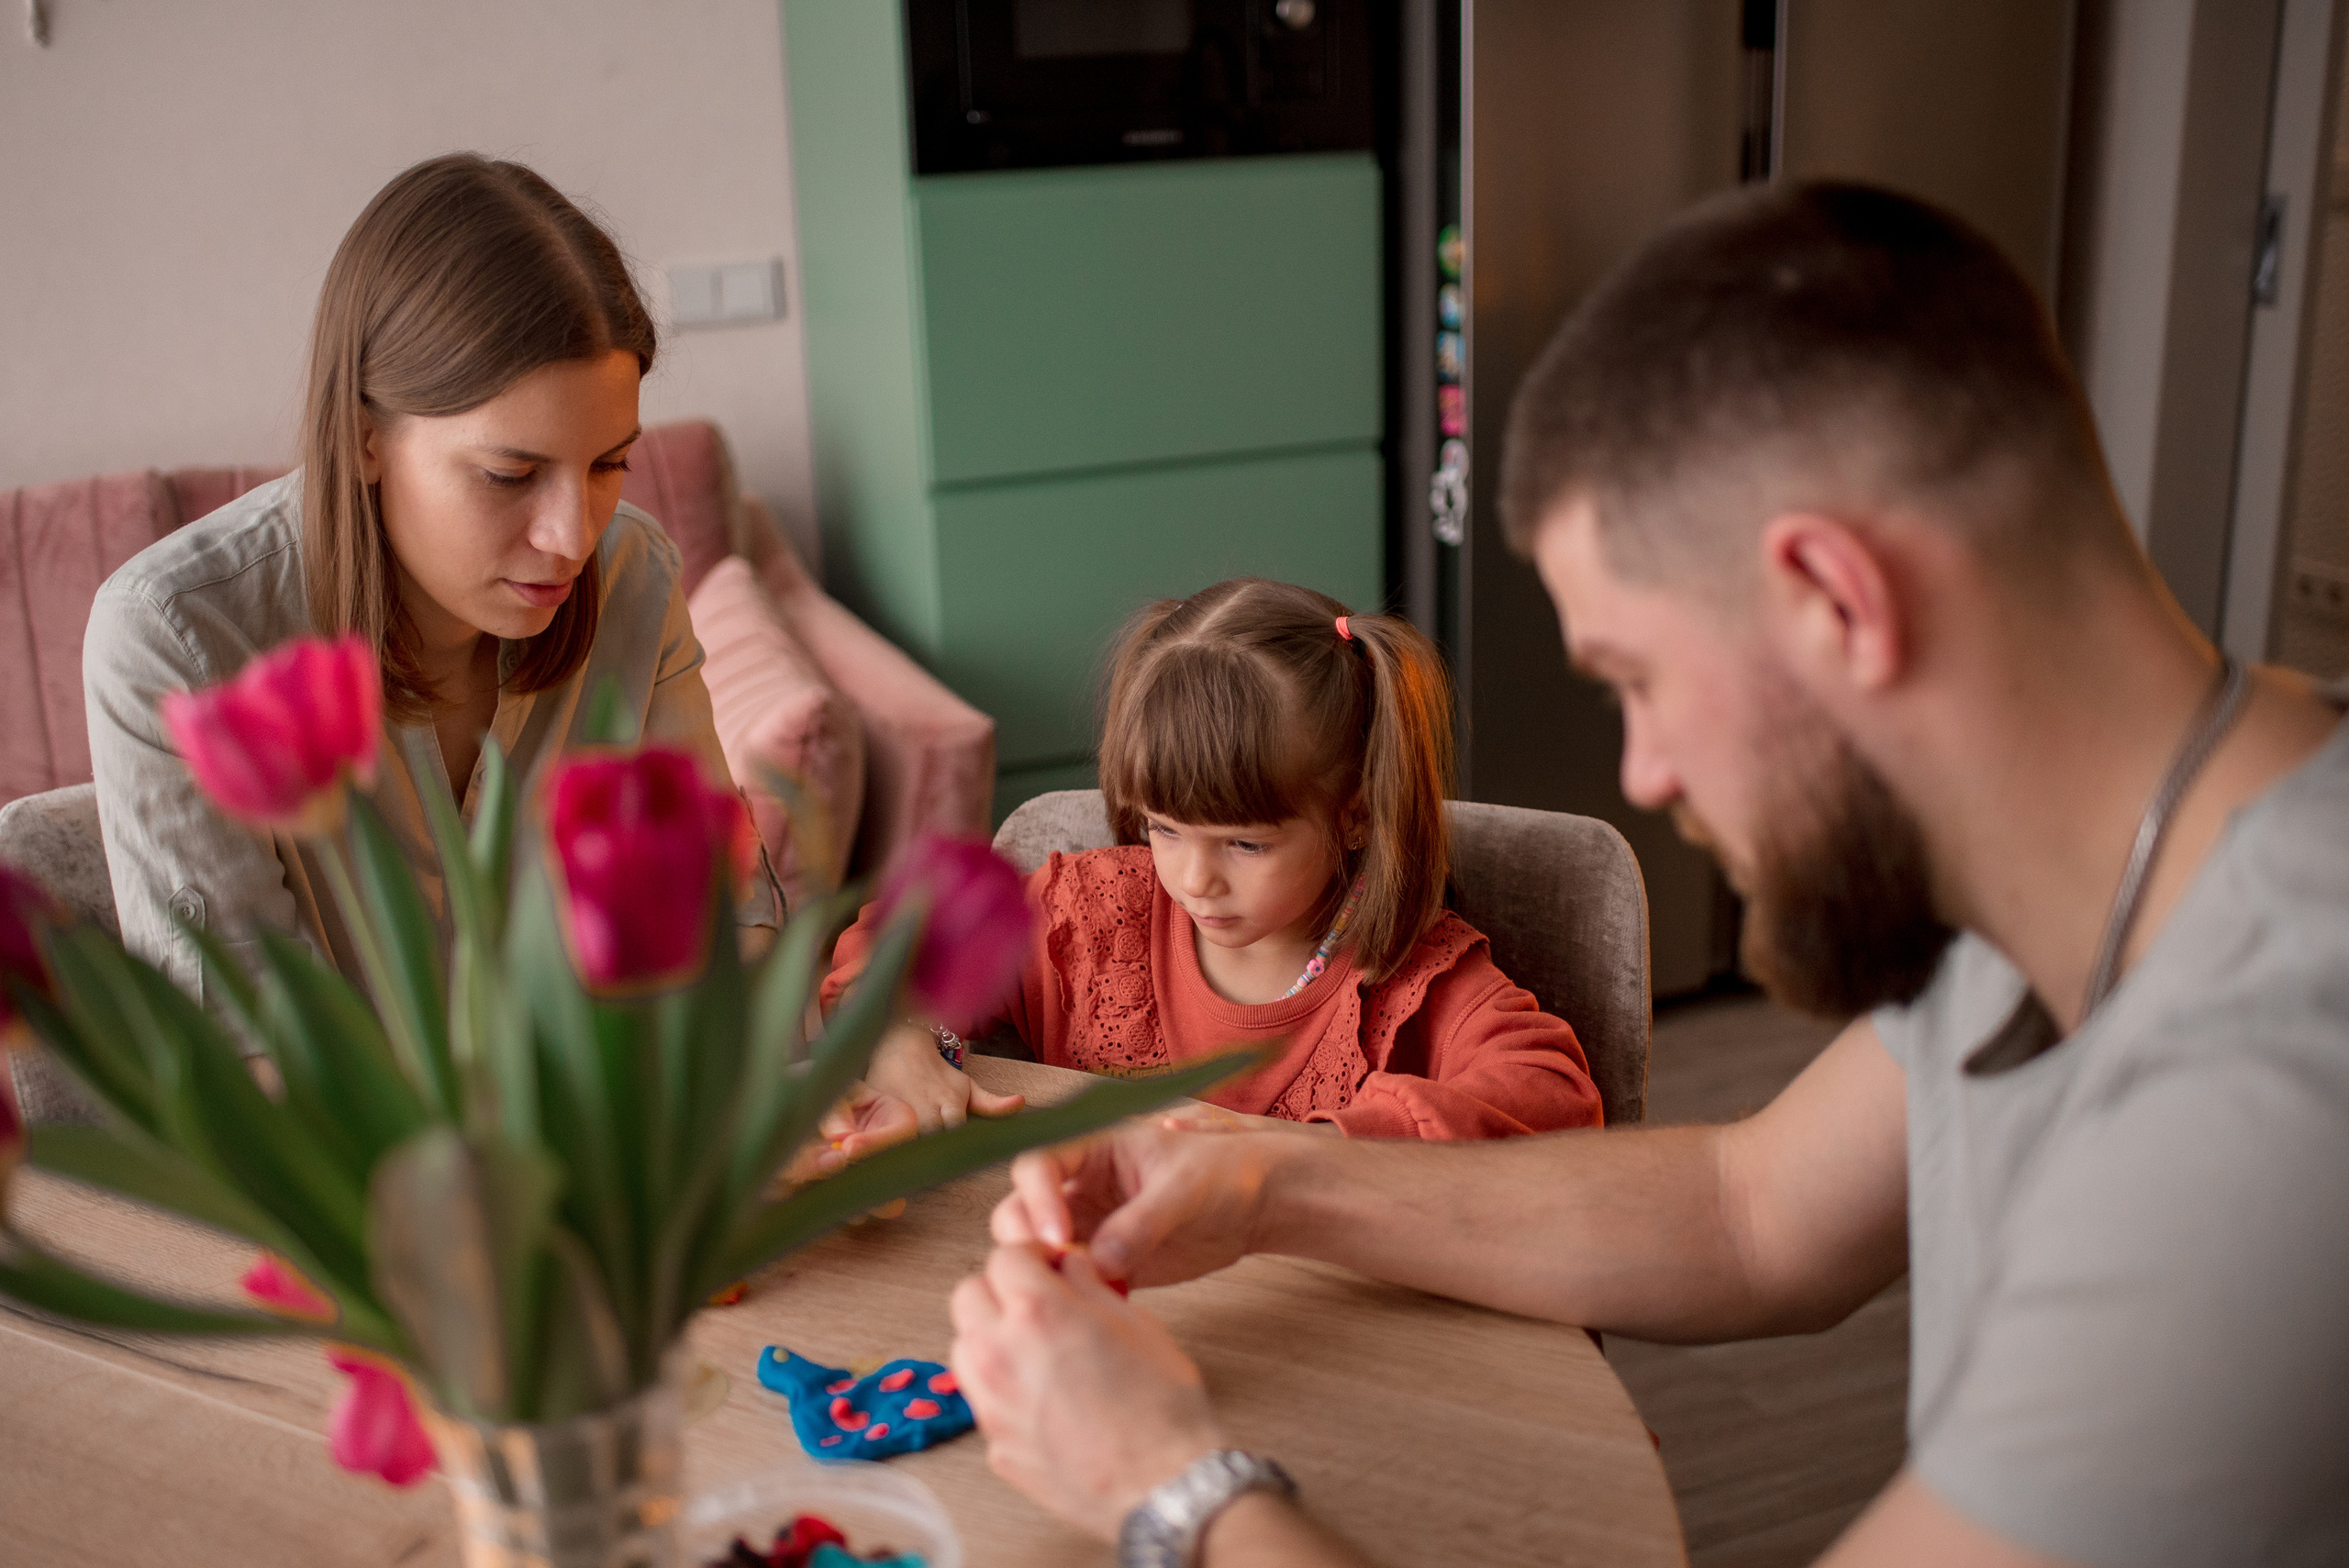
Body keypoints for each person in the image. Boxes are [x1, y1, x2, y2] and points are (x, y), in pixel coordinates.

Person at [945, 183, 2349, 1568]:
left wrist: (1171, 1486)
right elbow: (1753, 1217)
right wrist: (1257, 1182)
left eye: (1637, 679)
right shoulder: (2083, 877)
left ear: (1836, 599)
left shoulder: (2271, 1092)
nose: (1646, 775)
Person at [86, 154, 777, 1001]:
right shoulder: (174, 636)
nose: (572, 537)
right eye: (509, 474)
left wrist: (875, 1037)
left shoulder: (633, 570)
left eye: (609, 464)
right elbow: (252, 1066)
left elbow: (730, 929)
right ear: (363, 437)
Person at [818, 578, 1602, 1148]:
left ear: (1356, 811)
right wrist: (897, 1039)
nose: (1194, 879)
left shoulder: (1411, 980)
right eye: (1164, 829)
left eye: (1245, 843)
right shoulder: (1090, 918)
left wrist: (1319, 1159)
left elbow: (1555, 1093)